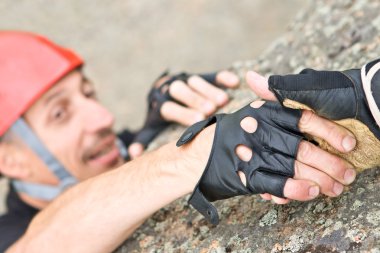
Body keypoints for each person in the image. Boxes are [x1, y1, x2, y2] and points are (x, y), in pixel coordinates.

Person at [0, 31, 357, 252]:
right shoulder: (10, 234)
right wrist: (190, 154)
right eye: (60, 114)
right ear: (9, 160)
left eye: (88, 94)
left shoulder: (117, 147)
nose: (103, 118)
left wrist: (159, 120)